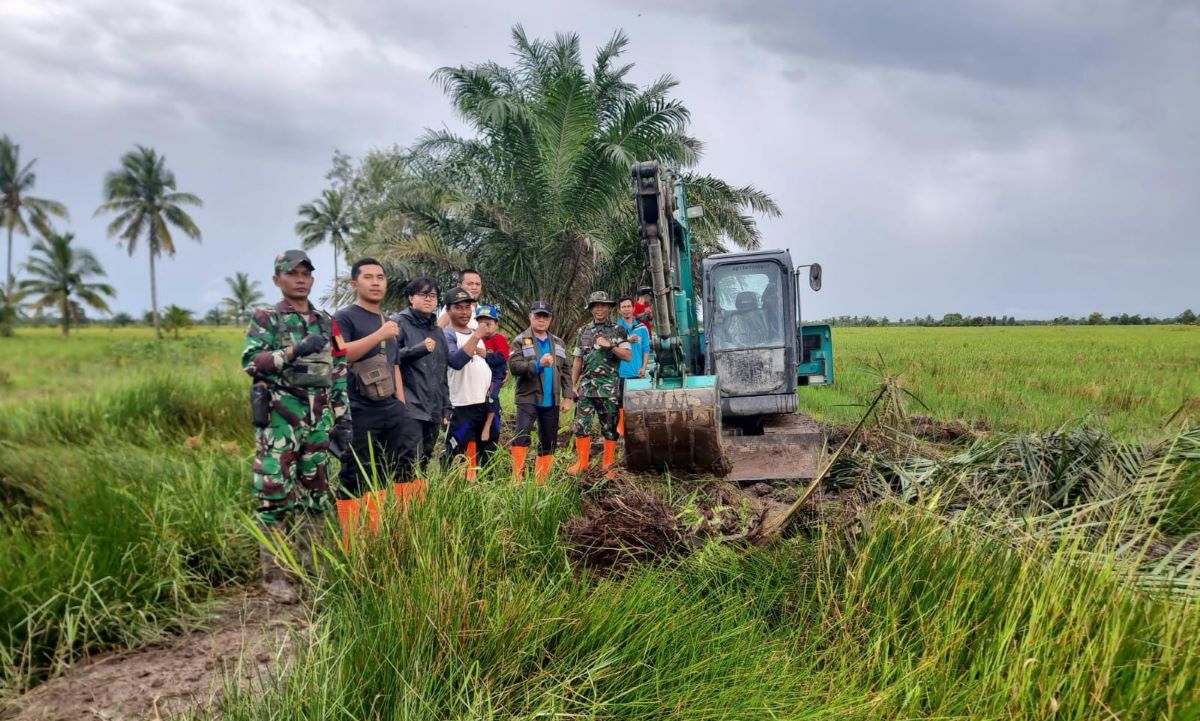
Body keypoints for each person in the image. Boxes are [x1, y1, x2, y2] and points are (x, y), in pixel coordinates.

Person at [242, 249, 351, 603]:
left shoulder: (324, 319)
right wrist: (294, 351)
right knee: (274, 495)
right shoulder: (266, 318)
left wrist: (342, 415)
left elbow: (337, 369)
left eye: (306, 273)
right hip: (279, 420)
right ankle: (274, 576)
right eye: (292, 273)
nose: (300, 278)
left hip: (317, 420)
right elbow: (252, 362)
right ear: (278, 279)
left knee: (317, 495)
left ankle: (314, 570)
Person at [508, 300, 573, 483]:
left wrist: (568, 396)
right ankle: (517, 479)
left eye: (545, 316)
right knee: (522, 435)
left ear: (550, 319)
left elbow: (566, 371)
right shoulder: (520, 340)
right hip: (528, 398)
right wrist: (539, 364)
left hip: (551, 399)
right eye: (538, 315)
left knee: (549, 440)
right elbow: (514, 366)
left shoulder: (558, 342)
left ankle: (541, 480)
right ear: (531, 316)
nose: (541, 319)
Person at [394, 277, 452, 480]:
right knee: (407, 460)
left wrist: (446, 406)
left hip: (433, 407)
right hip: (409, 404)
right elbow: (389, 358)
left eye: (433, 296)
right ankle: (402, 508)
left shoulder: (437, 331)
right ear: (411, 297)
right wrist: (417, 350)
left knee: (425, 459)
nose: (429, 299)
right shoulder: (398, 322)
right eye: (423, 294)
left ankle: (418, 507)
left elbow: (442, 370)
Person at [569, 291, 632, 478]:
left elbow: (628, 356)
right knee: (581, 426)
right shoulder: (583, 331)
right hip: (586, 388)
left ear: (609, 308)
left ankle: (608, 465)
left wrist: (610, 346)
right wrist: (572, 385)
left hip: (608, 388)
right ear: (591, 309)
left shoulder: (618, 330)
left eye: (603, 305)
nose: (600, 308)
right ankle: (582, 463)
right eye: (596, 305)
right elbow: (578, 360)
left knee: (610, 428)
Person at [441, 286, 493, 478]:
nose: (464, 312)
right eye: (458, 308)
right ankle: (447, 486)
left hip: (481, 402)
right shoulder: (447, 334)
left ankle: (474, 484)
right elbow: (456, 362)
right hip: (461, 404)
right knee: (455, 448)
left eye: (467, 307)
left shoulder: (473, 331)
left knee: (480, 447)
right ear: (448, 310)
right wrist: (477, 336)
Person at [474, 304, 509, 456]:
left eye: (488, 324)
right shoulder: (477, 339)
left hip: (495, 375)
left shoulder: (499, 339)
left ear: (496, 324)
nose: (485, 327)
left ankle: (488, 426)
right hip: (480, 378)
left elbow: (502, 357)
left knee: (492, 398)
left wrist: (486, 355)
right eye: (481, 324)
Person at [615, 295, 651, 436]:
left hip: (637, 372)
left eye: (629, 306)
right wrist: (628, 340)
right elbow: (613, 347)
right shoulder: (617, 328)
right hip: (621, 372)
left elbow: (646, 349)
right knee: (621, 402)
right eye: (623, 307)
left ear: (633, 308)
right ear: (619, 310)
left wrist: (643, 367)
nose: (626, 309)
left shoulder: (641, 328)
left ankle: (640, 429)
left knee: (639, 402)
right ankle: (623, 429)